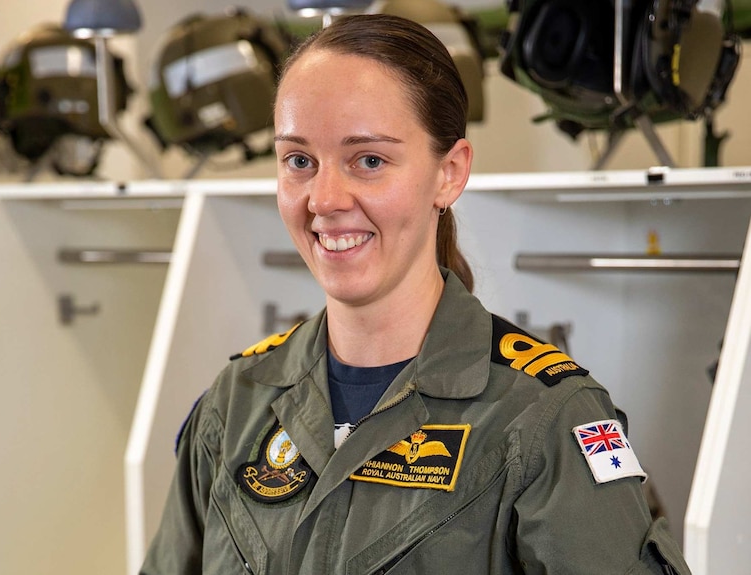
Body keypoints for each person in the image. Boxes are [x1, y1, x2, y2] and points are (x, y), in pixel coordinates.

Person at [140, 13, 691, 574]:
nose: (324, 198)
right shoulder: (237, 403)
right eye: (299, 161)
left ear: (449, 173)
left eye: (370, 160)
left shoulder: (543, 418)